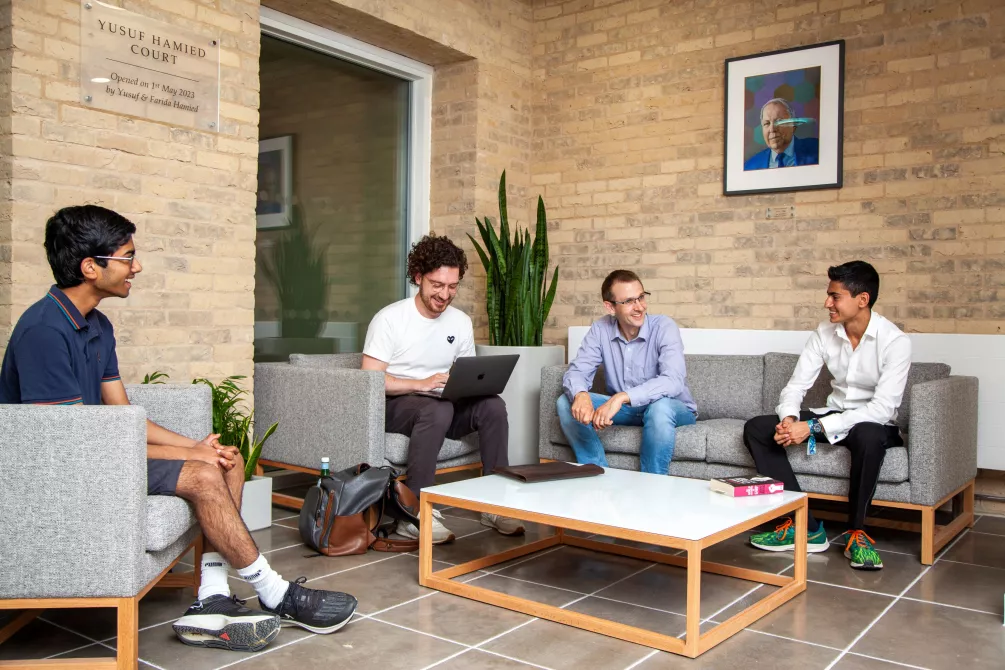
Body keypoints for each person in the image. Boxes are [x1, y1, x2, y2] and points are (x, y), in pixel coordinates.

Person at [0, 205, 358, 652]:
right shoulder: (43, 332)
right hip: (61, 475)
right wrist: (193, 458)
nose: (138, 266)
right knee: (205, 471)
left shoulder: (97, 325)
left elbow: (121, 415)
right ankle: (275, 592)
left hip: (96, 454)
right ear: (90, 267)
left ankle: (211, 597)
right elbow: (71, 445)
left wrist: (196, 445)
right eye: (127, 257)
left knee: (223, 460)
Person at [744, 261, 911, 571]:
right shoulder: (824, 332)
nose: (827, 303)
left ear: (862, 299)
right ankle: (803, 525)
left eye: (835, 296)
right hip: (834, 413)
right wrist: (791, 419)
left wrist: (813, 427)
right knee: (757, 427)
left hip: (875, 423)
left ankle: (857, 534)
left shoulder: (896, 342)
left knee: (868, 433)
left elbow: (882, 409)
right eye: (828, 295)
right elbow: (796, 386)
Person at [361, 234, 524, 544]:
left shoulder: (460, 322)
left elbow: (467, 373)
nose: (444, 294)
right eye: (437, 285)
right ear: (418, 277)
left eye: (452, 286)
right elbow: (369, 380)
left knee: (492, 405)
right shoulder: (390, 319)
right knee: (437, 408)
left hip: (441, 403)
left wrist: (470, 385)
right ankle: (415, 513)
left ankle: (493, 504)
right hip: (396, 404)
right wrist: (419, 384)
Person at [558, 270, 697, 475]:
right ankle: (597, 474)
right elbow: (578, 370)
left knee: (659, 409)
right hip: (630, 410)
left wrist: (621, 397)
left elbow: (673, 380)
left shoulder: (664, 326)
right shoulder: (600, 329)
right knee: (565, 401)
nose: (639, 307)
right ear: (610, 307)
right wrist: (580, 394)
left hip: (672, 409)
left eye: (641, 297)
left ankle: (653, 486)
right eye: (629, 301)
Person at [743, 98, 820, 171]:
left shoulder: (817, 149)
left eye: (779, 122)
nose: (772, 129)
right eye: (767, 123)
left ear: (793, 125)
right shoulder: (750, 166)